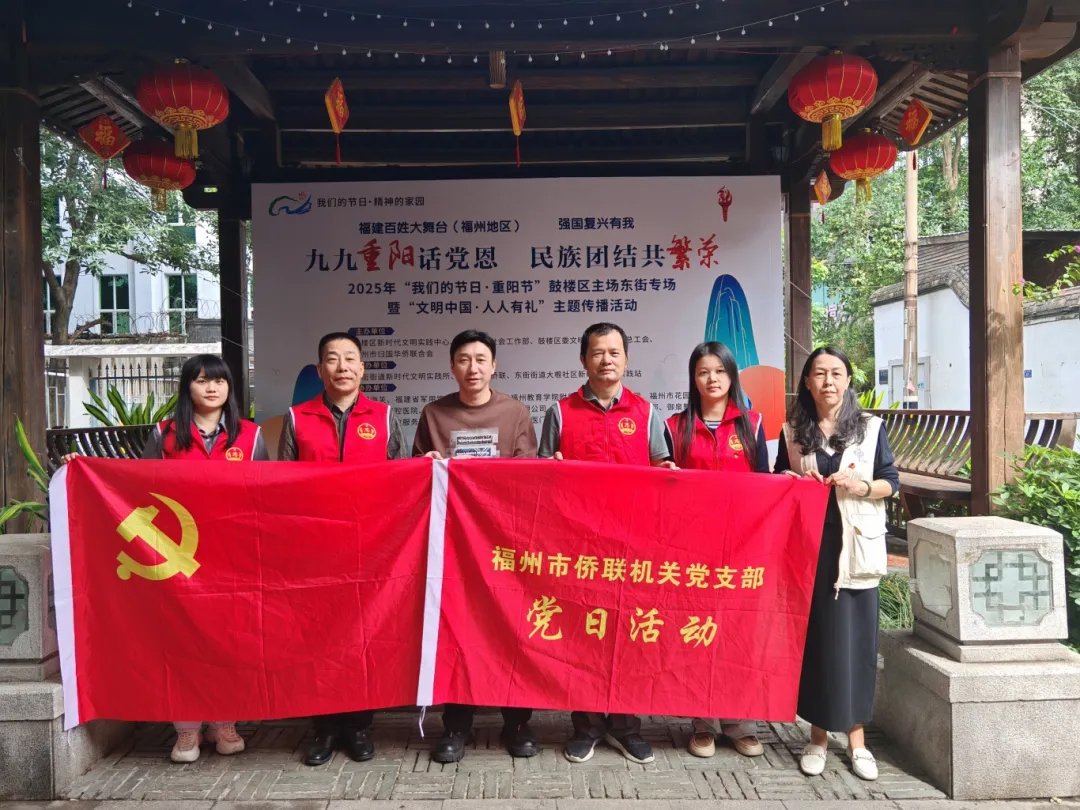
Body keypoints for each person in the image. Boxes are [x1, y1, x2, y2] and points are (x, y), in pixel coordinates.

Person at [64, 354, 268, 763]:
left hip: (233, 556)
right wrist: (82, 469)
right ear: (187, 386)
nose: (212, 387)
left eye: (219, 381)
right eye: (202, 380)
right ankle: (186, 729)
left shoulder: (250, 435)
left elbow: (266, 492)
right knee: (180, 639)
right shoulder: (164, 434)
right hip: (178, 558)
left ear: (230, 388)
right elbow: (137, 488)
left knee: (228, 639)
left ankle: (224, 721)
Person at [538, 322, 676, 765]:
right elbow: (541, 474)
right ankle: (586, 727)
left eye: (614, 352)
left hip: (632, 548)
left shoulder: (646, 412)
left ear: (626, 359)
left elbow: (662, 467)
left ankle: (626, 727)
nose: (606, 360)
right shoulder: (560, 412)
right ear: (583, 359)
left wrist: (668, 473)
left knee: (628, 636)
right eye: (598, 352)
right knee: (583, 635)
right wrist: (552, 467)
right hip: (579, 548)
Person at [277, 331, 407, 767]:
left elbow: (401, 483)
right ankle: (325, 728)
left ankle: (359, 726)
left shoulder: (385, 417)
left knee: (364, 637)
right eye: (332, 359)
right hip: (314, 552)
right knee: (318, 639)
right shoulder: (297, 418)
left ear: (362, 368)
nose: (342, 366)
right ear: (320, 370)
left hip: (371, 549)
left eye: (350, 358)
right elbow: (283, 487)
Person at [412, 329, 540, 763]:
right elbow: (416, 476)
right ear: (452, 366)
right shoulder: (434, 414)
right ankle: (456, 725)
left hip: (505, 541)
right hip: (452, 545)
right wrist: (424, 466)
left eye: (481, 359)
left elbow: (528, 477)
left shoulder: (515, 413)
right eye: (464, 359)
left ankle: (517, 723)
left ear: (494, 365)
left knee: (511, 630)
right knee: (457, 631)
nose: (473, 367)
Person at [774, 347, 899, 782]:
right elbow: (777, 479)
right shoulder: (793, 431)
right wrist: (793, 480)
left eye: (836, 373)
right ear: (807, 382)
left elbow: (891, 482)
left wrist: (860, 486)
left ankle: (858, 742)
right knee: (818, 644)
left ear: (847, 381)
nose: (828, 381)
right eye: (819, 374)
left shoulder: (870, 427)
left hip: (856, 547)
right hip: (811, 548)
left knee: (857, 645)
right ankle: (817, 738)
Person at [665, 342, 768, 760]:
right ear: (693, 378)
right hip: (692, 551)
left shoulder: (752, 424)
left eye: (719, 371)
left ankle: (740, 722)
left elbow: (766, 487)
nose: (712, 379)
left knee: (738, 634)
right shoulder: (675, 426)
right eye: (703, 372)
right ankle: (702, 722)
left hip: (741, 550)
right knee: (698, 633)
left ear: (731, 376)